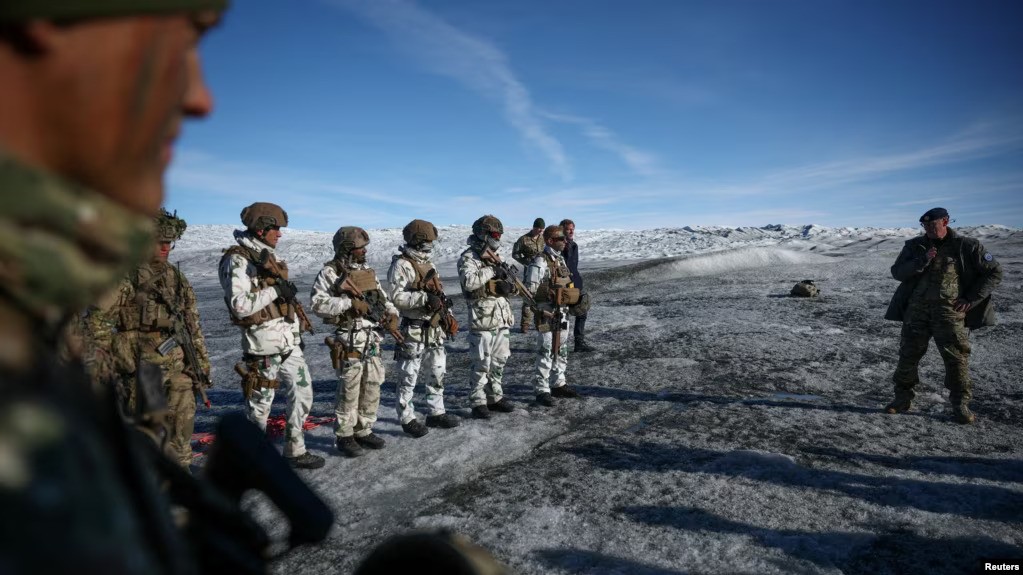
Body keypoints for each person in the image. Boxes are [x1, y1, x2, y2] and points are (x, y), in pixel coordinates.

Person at [0, 0, 227, 571]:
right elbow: (99, 334)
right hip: (144, 376)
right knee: (149, 449)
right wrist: (128, 367)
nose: (200, 98)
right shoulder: (103, 277)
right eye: (177, 42)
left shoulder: (160, 277)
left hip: (173, 373)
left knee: (176, 450)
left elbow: (190, 323)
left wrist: (198, 368)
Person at [87, 208, 211, 468]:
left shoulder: (176, 277)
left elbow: (192, 324)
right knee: (148, 441)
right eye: (159, 242)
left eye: (169, 242)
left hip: (179, 369)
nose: (165, 248)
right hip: (143, 371)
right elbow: (97, 324)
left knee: (181, 436)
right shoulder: (124, 276)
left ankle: (181, 478)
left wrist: (200, 363)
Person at [219, 202, 325, 468]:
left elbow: (281, 305)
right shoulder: (238, 260)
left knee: (303, 395)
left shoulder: (268, 257)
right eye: (275, 228)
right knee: (259, 409)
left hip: (288, 344)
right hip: (262, 347)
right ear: (260, 229)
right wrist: (277, 291)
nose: (280, 233)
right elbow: (240, 305)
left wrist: (295, 334)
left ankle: (295, 450)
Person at [883, 207, 1002, 424]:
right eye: (925, 225)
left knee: (956, 359)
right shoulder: (914, 246)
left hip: (949, 313)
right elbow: (897, 272)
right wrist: (921, 260)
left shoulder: (966, 246)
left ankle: (960, 405)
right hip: (916, 312)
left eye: (932, 224)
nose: (928, 229)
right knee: (908, 356)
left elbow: (994, 272)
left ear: (945, 222)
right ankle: (902, 399)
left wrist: (971, 299)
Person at [311, 226, 399, 457]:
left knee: (372, 385)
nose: (364, 251)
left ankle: (364, 429)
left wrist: (392, 315)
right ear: (347, 249)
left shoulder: (367, 272)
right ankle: (344, 435)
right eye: (360, 248)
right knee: (349, 389)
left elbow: (382, 299)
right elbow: (318, 304)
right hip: (349, 337)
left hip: (371, 337)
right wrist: (349, 304)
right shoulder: (330, 273)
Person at [387, 219, 461, 438]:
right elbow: (396, 297)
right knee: (408, 376)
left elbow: (439, 294)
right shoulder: (402, 265)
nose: (431, 245)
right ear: (418, 241)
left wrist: (448, 317)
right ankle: (407, 418)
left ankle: (436, 412)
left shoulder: (430, 264)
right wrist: (423, 298)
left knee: (437, 372)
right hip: (414, 329)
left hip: (435, 328)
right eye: (427, 241)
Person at [457, 215, 517, 419]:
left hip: (501, 317)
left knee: (499, 360)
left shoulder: (497, 257)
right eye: (494, 234)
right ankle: (478, 401)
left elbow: (513, 287)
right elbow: (469, 282)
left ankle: (495, 397)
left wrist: (509, 287)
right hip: (482, 318)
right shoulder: (469, 258)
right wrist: (491, 270)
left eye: (499, 235)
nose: (497, 238)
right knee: (481, 363)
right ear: (483, 234)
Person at [525, 226, 583, 406]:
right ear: (550, 241)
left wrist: (573, 298)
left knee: (561, 348)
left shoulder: (560, 260)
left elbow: (567, 283)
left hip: (562, 312)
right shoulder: (540, 261)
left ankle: (558, 383)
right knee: (546, 350)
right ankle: (542, 389)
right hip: (547, 313)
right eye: (561, 239)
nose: (565, 241)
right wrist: (539, 309)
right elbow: (529, 291)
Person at [560, 218, 596, 352]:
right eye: (568, 229)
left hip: (575, 284)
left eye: (572, 229)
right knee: (562, 315)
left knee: (582, 311)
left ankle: (579, 342)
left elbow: (573, 267)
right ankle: (559, 344)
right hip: (563, 286)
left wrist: (577, 282)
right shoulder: (558, 247)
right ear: (562, 230)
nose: (571, 232)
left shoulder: (574, 245)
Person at [512, 217, 547, 333]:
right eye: (539, 228)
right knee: (528, 297)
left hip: (542, 272)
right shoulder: (523, 239)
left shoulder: (543, 239)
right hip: (530, 273)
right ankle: (525, 324)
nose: (540, 231)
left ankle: (539, 323)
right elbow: (515, 254)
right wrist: (526, 262)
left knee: (542, 297)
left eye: (542, 229)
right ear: (534, 227)